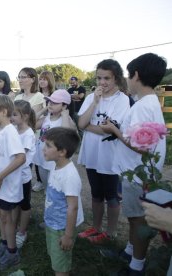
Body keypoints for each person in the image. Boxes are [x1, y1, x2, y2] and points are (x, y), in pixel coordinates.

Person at [100, 53, 167, 275]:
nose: (127, 80)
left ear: (136, 75)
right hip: (141, 172)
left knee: (138, 220)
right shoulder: (149, 102)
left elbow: (141, 146)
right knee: (133, 216)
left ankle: (136, 266)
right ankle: (130, 252)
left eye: (129, 75)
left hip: (137, 175)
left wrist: (115, 130)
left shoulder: (141, 107)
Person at [76, 59, 130, 244]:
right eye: (99, 78)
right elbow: (81, 124)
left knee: (112, 195)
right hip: (92, 152)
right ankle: (96, 227)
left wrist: (90, 126)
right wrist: (95, 102)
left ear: (116, 78)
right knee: (96, 193)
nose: (102, 82)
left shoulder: (122, 99)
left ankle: (111, 232)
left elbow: (110, 128)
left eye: (107, 78)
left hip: (110, 155)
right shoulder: (92, 97)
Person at [0, 95, 26, 270]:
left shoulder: (10, 131)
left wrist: (1, 175)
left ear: (3, 112)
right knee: (2, 215)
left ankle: (12, 252)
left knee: (7, 217)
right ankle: (3, 243)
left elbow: (21, 158)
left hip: (6, 184)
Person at [42, 127, 83, 276]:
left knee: (61, 266)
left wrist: (68, 236)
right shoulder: (57, 166)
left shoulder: (70, 176)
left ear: (62, 152)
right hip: (53, 222)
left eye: (48, 146)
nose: (43, 149)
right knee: (55, 256)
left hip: (62, 227)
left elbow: (73, 208)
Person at [33, 89, 76, 193]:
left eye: (55, 102)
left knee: (56, 190)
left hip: (56, 163)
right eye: (49, 101)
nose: (50, 104)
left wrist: (65, 116)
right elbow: (32, 124)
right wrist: (44, 110)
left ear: (64, 106)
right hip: (42, 160)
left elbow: (66, 136)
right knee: (47, 189)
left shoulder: (67, 120)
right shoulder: (46, 118)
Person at [11, 100, 36, 249]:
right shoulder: (13, 129)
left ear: (25, 116)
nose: (12, 117)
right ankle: (13, 226)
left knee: (24, 205)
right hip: (12, 175)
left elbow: (21, 157)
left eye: (15, 114)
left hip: (23, 177)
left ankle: (22, 232)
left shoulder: (28, 134)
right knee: (15, 203)